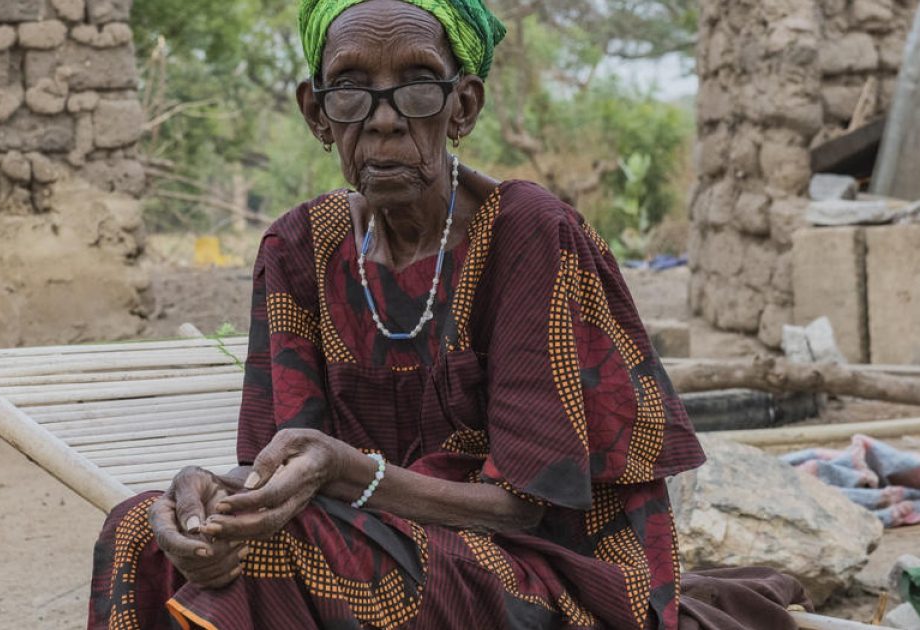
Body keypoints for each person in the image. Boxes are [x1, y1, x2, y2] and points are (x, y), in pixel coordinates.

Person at [88, 1, 809, 628]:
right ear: (316, 113)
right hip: (367, 540)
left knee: (291, 546)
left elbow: (524, 508)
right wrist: (214, 498)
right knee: (138, 532)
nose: (384, 121)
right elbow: (283, 462)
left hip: (544, 568)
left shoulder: (528, 233)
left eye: (418, 87)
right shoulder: (298, 248)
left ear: (463, 105)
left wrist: (345, 471)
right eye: (350, 90)